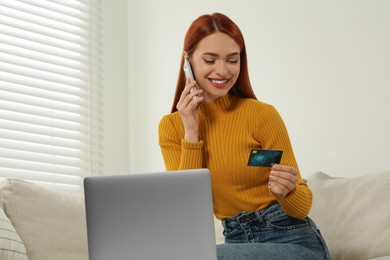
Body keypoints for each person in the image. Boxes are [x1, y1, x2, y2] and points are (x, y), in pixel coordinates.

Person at [158, 12, 330, 259]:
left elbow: (302, 207)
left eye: (232, 60)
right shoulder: (172, 128)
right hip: (236, 242)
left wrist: (288, 191)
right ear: (187, 61)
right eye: (210, 60)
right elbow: (188, 213)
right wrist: (192, 132)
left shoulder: (261, 115)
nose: (222, 71)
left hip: (293, 240)